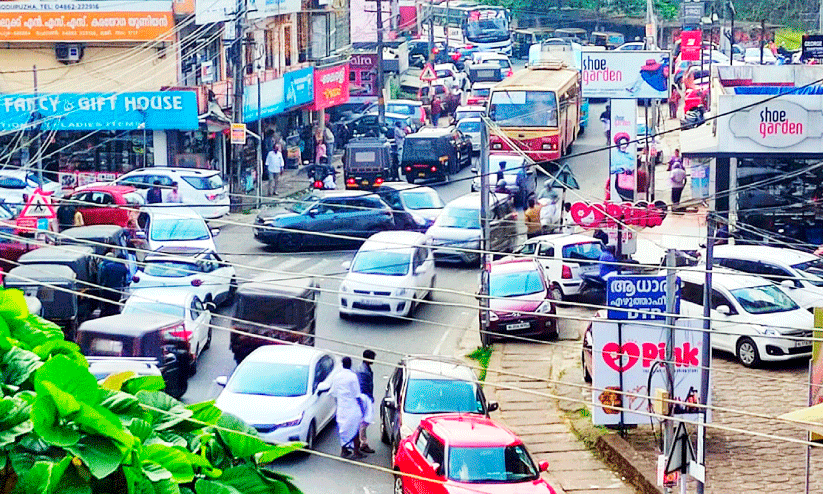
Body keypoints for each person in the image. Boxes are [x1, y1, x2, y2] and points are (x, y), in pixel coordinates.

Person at [332, 357, 366, 459]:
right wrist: (362, 408)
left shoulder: (337, 376)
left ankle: (344, 450)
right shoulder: (352, 377)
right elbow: (357, 394)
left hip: (342, 407)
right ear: (350, 364)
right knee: (354, 429)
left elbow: (334, 392)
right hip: (352, 407)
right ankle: (356, 451)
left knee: (343, 429)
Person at [355, 350, 377, 455]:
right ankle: (362, 443)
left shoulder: (364, 368)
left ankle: (361, 441)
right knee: (364, 421)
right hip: (364, 398)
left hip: (365, 397)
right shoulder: (363, 371)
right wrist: (369, 398)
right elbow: (363, 387)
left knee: (364, 421)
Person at [98, 250, 129, 316]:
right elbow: (125, 281)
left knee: (107, 304)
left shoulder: (107, 266)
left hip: (107, 288)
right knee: (115, 305)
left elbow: (102, 278)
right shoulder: (124, 268)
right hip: (117, 290)